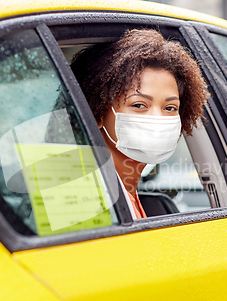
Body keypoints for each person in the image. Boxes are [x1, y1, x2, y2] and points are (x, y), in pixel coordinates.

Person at [71, 29, 209, 219]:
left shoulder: (127, 196)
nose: (157, 118)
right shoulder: (83, 200)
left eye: (170, 108)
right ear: (97, 114)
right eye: (139, 105)